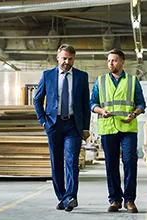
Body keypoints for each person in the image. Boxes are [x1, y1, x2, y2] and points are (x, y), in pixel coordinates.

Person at [33, 44, 90, 212]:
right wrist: (43, 121)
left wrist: (85, 127)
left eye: (70, 59)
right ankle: (62, 197)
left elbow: (85, 104)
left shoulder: (81, 76)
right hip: (54, 124)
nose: (67, 62)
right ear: (58, 57)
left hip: (73, 125)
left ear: (74, 59)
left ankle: (71, 196)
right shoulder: (47, 75)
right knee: (56, 162)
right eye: (64, 58)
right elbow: (37, 100)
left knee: (72, 161)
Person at [90, 49, 146, 213]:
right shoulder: (100, 81)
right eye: (109, 61)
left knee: (129, 162)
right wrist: (101, 111)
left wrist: (135, 114)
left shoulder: (132, 81)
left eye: (114, 60)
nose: (111, 64)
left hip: (128, 127)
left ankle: (130, 200)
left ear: (122, 62)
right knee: (111, 165)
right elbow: (92, 103)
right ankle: (115, 199)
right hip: (108, 128)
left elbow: (141, 104)